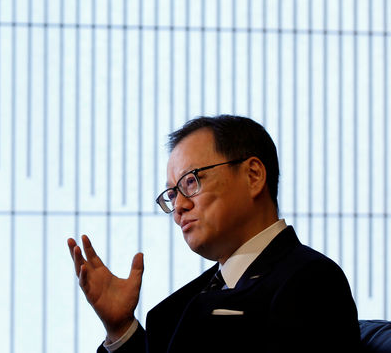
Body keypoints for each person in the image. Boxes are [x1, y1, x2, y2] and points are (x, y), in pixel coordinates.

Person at [68, 115, 360, 352]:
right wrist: (121, 329)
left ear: (253, 176)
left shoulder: (312, 281)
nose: (179, 206)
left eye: (191, 182)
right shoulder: (181, 304)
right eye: (172, 194)